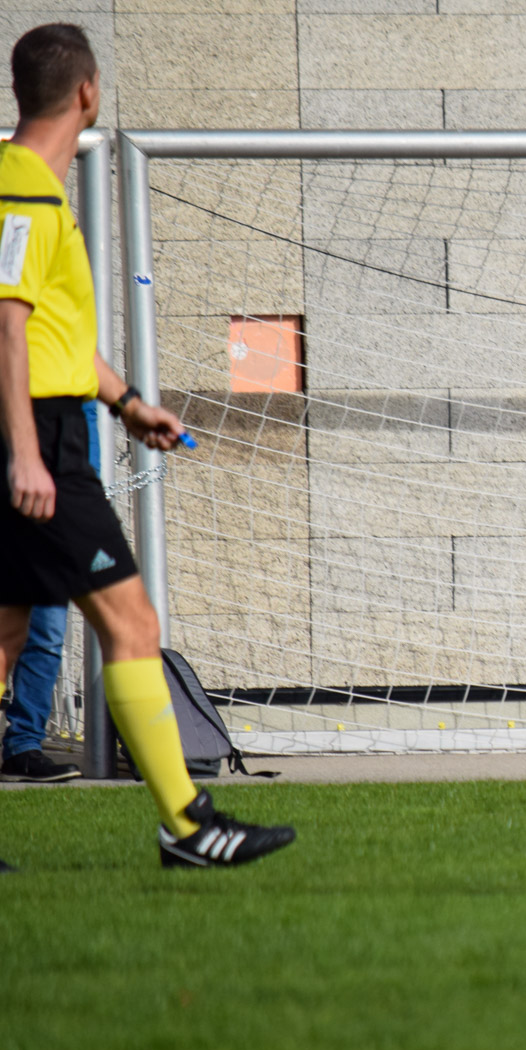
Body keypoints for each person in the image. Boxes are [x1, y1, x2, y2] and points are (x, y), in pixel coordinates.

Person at [0, 24, 295, 868]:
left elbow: (51, 332)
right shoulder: (24, 192)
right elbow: (7, 325)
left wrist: (128, 403)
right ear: (87, 93)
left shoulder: (25, 186)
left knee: (6, 631)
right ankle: (189, 826)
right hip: (38, 435)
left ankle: (188, 827)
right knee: (131, 621)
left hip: (42, 421)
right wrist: (26, 452)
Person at [0, 398, 97, 783]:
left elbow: (89, 411)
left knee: (47, 629)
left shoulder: (76, 388)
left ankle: (23, 747)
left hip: (55, 503)